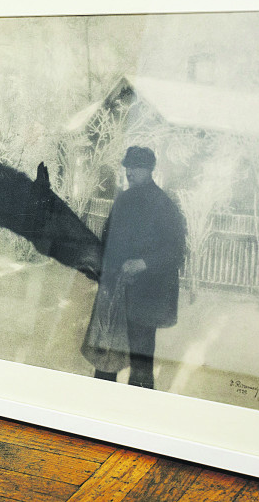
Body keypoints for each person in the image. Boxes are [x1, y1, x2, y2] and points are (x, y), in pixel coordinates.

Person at [81, 146, 186, 389]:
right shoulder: (123, 200)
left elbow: (176, 251)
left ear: (150, 169)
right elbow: (107, 239)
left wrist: (143, 263)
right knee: (106, 356)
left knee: (140, 363)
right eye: (128, 166)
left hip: (146, 296)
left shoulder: (164, 205)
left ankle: (139, 403)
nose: (130, 172)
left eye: (136, 167)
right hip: (116, 292)